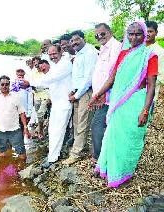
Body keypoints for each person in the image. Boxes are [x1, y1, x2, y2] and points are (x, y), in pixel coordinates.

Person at [90, 21, 158, 188]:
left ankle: (122, 173)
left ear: (144, 35)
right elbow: (112, 79)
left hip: (136, 102)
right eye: (130, 34)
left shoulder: (150, 55)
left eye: (138, 34)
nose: (134, 37)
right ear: (126, 35)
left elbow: (151, 86)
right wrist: (97, 94)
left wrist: (145, 110)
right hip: (118, 103)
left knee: (129, 140)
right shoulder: (123, 54)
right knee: (113, 136)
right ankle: (107, 168)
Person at [63, 30, 98, 165]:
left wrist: (77, 94)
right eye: (71, 41)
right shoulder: (78, 54)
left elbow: (89, 78)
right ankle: (80, 148)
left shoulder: (90, 53)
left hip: (86, 92)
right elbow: (77, 76)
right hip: (77, 92)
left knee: (83, 123)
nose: (74, 43)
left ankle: (76, 154)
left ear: (83, 39)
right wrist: (73, 91)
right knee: (77, 122)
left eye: (76, 39)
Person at [34, 45, 72, 168]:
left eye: (54, 53)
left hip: (64, 104)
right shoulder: (55, 66)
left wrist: (30, 83)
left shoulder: (65, 64)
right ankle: (53, 154)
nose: (52, 56)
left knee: (58, 131)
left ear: (61, 52)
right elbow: (46, 80)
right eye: (50, 54)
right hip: (56, 104)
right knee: (52, 130)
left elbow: (49, 79)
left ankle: (53, 158)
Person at [90, 23, 121, 163]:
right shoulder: (103, 48)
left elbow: (113, 75)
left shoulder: (116, 47)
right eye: (96, 35)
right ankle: (105, 157)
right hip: (101, 94)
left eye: (102, 34)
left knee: (97, 126)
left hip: (108, 96)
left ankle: (99, 158)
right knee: (105, 127)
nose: (99, 37)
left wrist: (101, 94)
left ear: (110, 32)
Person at [0, 75, 31, 160]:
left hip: (15, 131)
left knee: (22, 155)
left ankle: (20, 171)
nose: (4, 86)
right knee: (2, 155)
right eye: (2, 84)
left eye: (6, 84)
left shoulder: (16, 97)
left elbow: (22, 114)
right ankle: (7, 171)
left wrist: (25, 128)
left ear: (9, 85)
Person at [146, 20, 164, 101]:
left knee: (146, 113)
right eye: (145, 31)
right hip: (135, 93)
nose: (147, 34)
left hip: (150, 95)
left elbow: (161, 77)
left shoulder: (159, 52)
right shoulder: (139, 49)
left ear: (156, 33)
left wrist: (145, 82)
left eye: (150, 31)